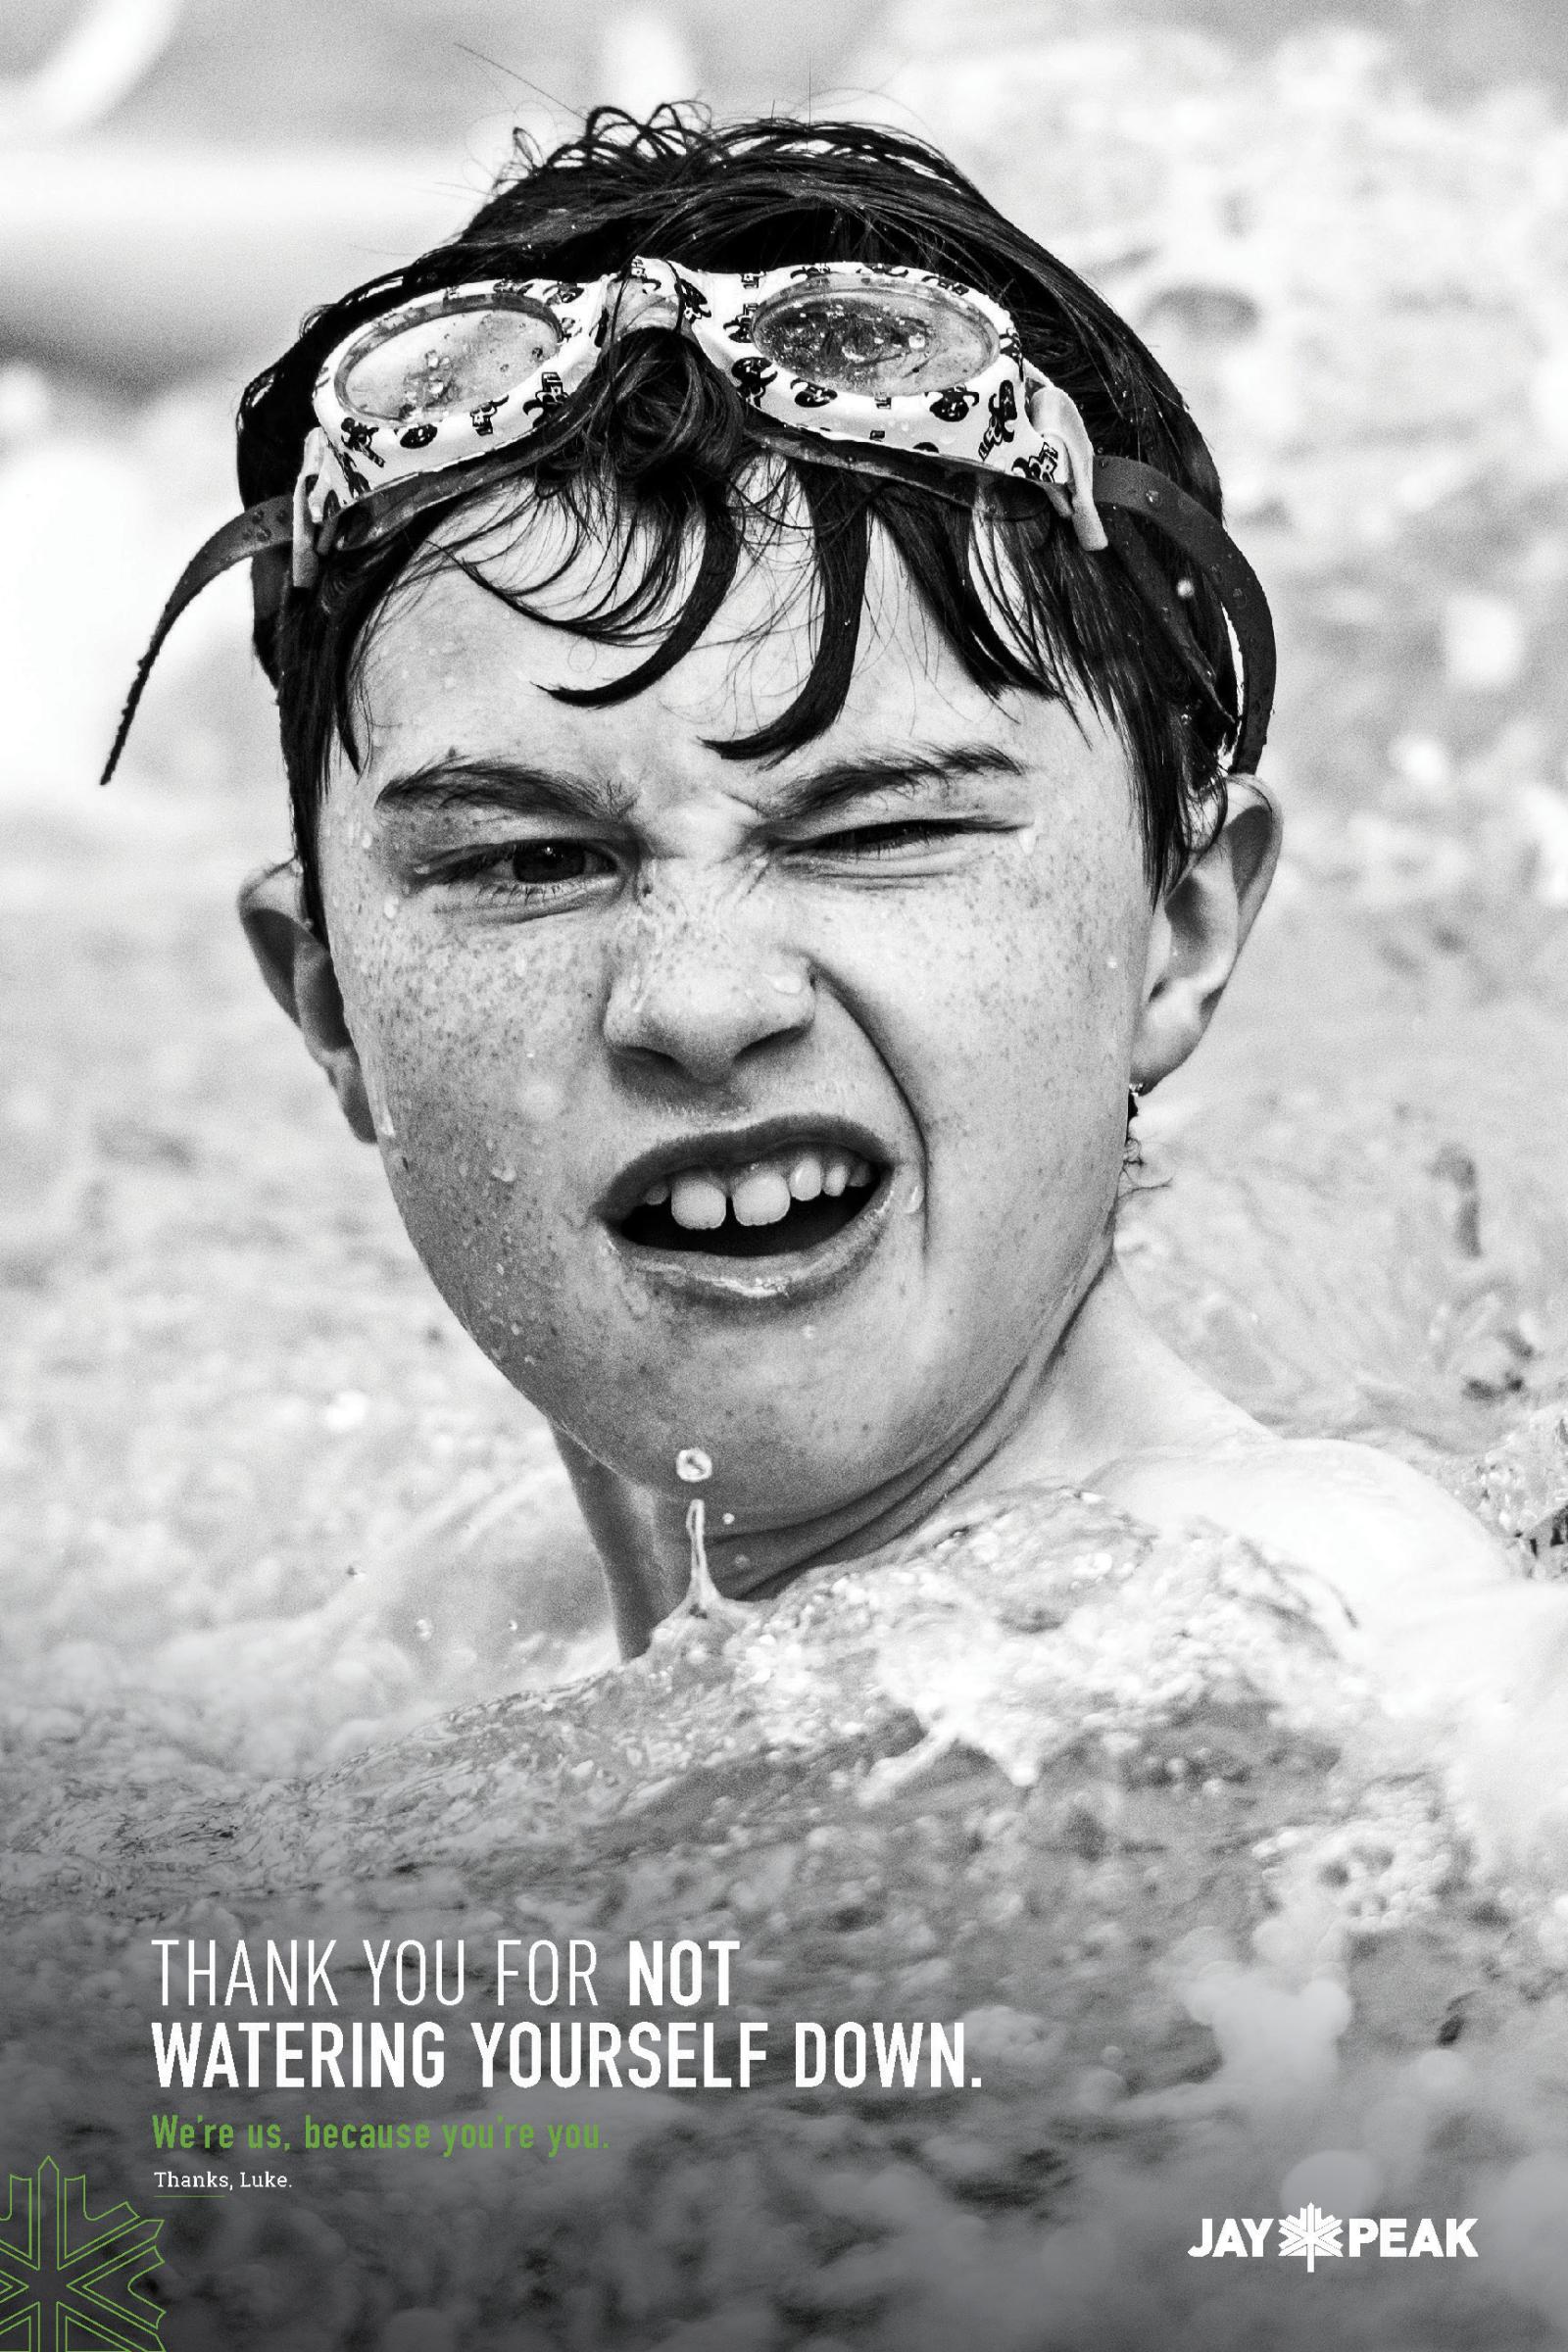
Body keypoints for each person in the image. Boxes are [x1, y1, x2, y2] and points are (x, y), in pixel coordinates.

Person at [103, 111, 1559, 1806]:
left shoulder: (1345, 1646)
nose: (703, 1004)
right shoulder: (437, 1636)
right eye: (528, 860)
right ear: (328, 1001)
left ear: (1184, 927)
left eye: (874, 835)